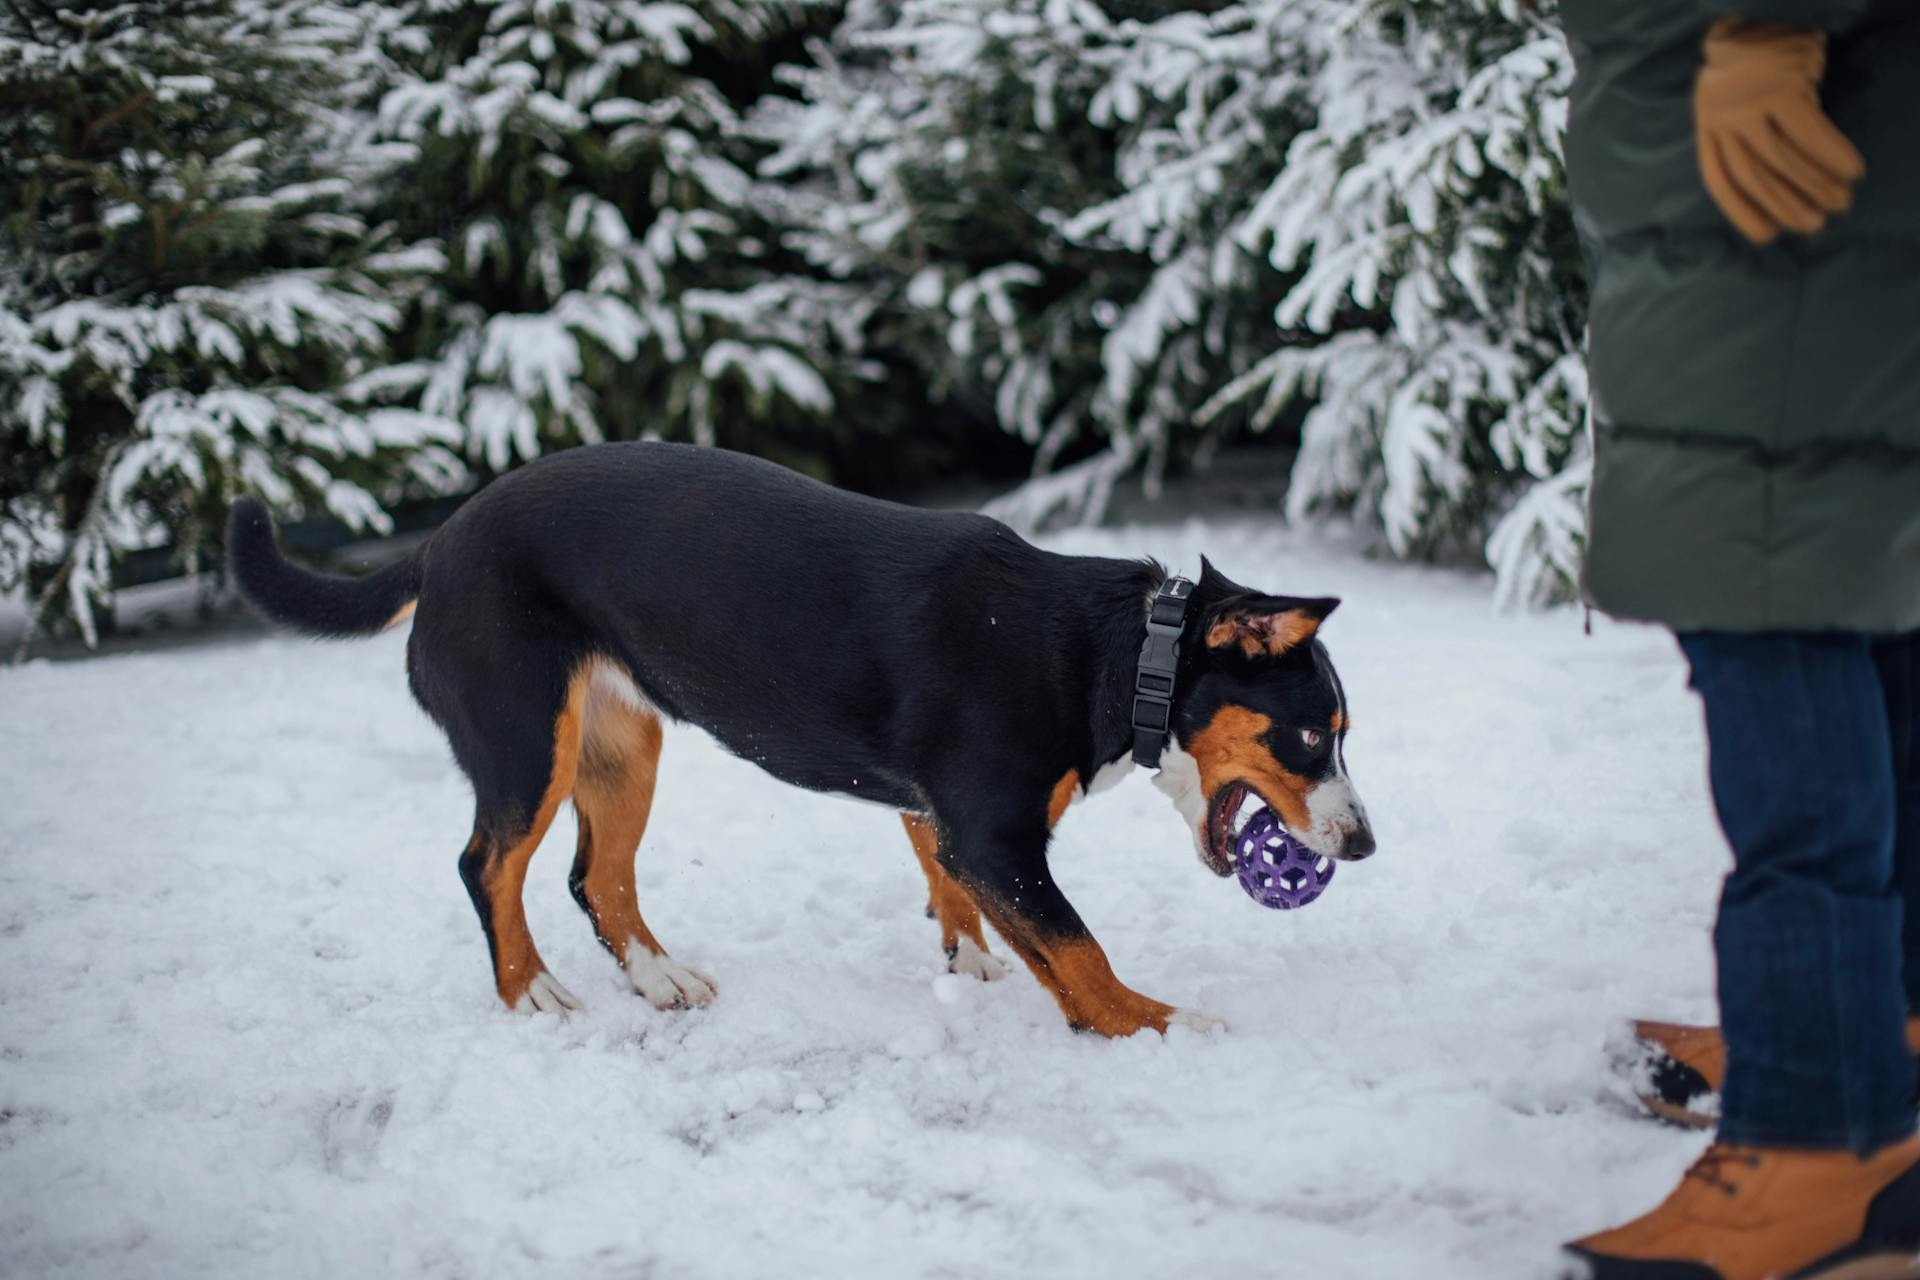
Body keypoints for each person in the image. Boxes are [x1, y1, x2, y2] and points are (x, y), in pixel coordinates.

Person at [1557, 2, 1920, 1276]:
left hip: (1768, 202)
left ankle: (1828, 1131)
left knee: (1783, 616)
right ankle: (1879, 1032)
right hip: (1788, 178)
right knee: (1869, 611)